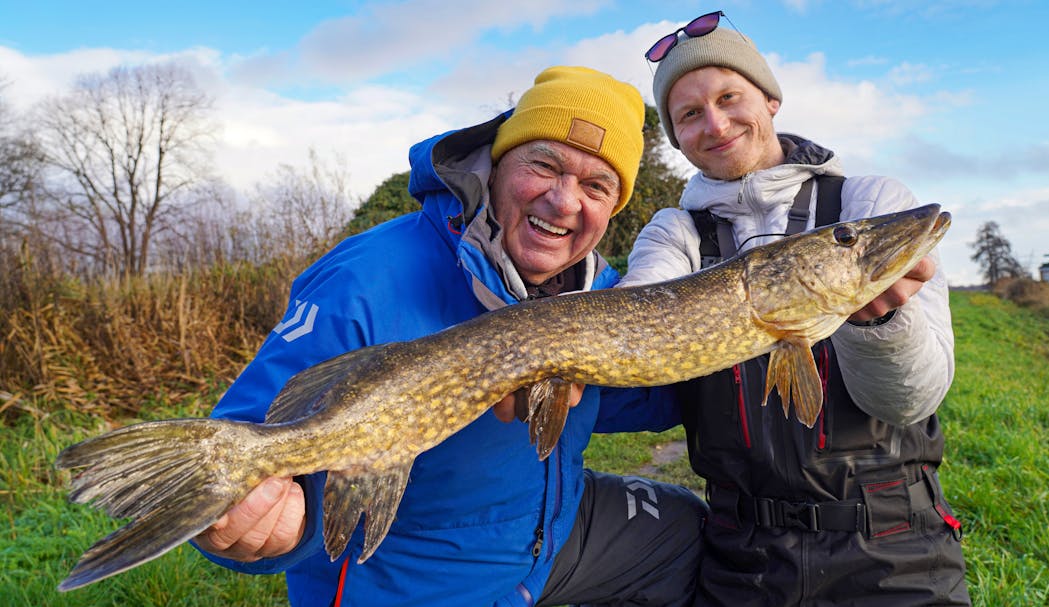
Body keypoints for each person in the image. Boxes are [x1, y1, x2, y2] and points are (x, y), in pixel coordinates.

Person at [191, 65, 706, 607]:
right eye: (544, 165)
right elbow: (248, 438)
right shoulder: (367, 280)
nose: (563, 201)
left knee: (685, 532)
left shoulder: (594, 291)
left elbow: (629, 398)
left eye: (596, 186)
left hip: (540, 545)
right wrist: (257, 527)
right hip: (415, 580)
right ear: (497, 164)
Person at [619, 12, 971, 606]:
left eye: (730, 97)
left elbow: (911, 401)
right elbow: (634, 311)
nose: (716, 123)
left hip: (894, 543)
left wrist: (880, 322)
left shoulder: (866, 200)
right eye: (689, 115)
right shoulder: (673, 232)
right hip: (744, 552)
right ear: (676, 137)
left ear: (771, 99)